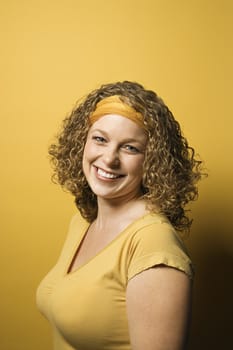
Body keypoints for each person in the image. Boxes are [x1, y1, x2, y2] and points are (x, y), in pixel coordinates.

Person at [36, 81, 203, 350]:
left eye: (130, 148)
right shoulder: (83, 221)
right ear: (83, 142)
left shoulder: (153, 246)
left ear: (152, 161)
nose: (109, 158)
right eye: (100, 139)